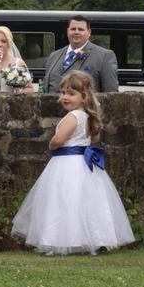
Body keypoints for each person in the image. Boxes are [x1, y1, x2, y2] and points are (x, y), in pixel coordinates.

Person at [11, 70, 135, 255]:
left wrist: (52, 144)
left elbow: (60, 140)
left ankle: (60, 238)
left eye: (71, 94)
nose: (64, 97)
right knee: (84, 201)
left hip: (67, 164)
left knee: (63, 200)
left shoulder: (73, 117)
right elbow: (94, 140)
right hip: (84, 164)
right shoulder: (88, 117)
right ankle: (89, 238)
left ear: (84, 97)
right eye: (62, 93)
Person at [41, 15, 119, 93]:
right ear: (68, 31)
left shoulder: (105, 56)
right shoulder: (54, 56)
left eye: (81, 29)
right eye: (73, 29)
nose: (76, 32)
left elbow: (111, 94)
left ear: (89, 33)